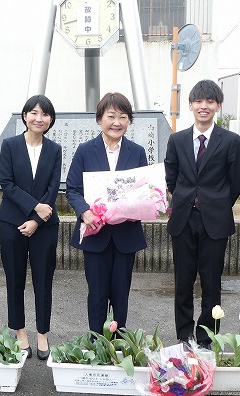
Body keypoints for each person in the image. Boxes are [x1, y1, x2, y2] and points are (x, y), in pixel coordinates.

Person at [165, 79, 240, 347]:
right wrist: (185, 199)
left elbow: (236, 180)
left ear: (218, 106)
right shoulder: (176, 140)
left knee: (212, 283)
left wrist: (217, 203)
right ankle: (184, 334)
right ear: (190, 105)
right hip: (184, 220)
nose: (204, 106)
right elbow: (171, 177)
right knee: (183, 281)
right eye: (198, 101)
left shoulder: (231, 141)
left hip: (215, 221)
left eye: (210, 101)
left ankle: (206, 336)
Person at [66, 92, 148, 334]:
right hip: (95, 234)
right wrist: (85, 212)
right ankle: (96, 343)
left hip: (126, 234)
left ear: (129, 121)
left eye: (123, 117)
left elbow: (144, 191)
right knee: (97, 294)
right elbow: (73, 189)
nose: (117, 122)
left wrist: (138, 208)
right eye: (111, 116)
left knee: (121, 294)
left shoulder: (137, 152)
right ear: (99, 119)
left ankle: (117, 342)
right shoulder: (85, 151)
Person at [0, 95, 62, 360]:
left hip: (45, 226)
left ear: (50, 120)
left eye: (45, 114)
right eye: (34, 113)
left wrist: (37, 220)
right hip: (12, 223)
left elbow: (53, 186)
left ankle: (43, 333)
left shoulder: (55, 149)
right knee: (15, 280)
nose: (39, 118)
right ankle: (20, 331)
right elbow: (7, 183)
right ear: (25, 116)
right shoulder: (10, 145)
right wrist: (34, 208)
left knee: (43, 281)